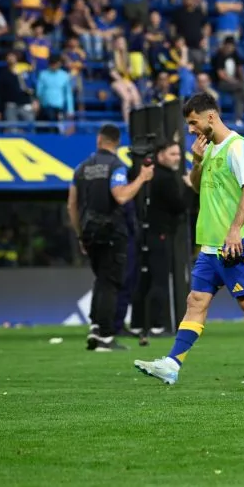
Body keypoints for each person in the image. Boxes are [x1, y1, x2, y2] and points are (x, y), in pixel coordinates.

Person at [133, 94, 244, 386]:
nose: (191, 130)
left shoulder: (239, 148)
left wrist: (235, 229)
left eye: (193, 123)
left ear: (210, 117)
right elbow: (199, 187)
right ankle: (172, 364)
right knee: (196, 300)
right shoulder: (210, 148)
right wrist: (197, 161)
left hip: (236, 244)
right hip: (211, 245)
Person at [67, 124, 153, 351]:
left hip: (88, 233)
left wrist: (80, 235)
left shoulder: (81, 168)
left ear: (99, 140)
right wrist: (142, 178)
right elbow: (122, 196)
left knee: (101, 279)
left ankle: (95, 327)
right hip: (112, 232)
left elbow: (72, 204)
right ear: (116, 142)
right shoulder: (116, 166)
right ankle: (105, 336)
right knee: (110, 282)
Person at [131, 141, 188, 338]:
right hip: (160, 234)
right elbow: (179, 206)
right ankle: (157, 325)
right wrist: (189, 188)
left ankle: (138, 324)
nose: (177, 158)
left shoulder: (148, 175)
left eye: (178, 154)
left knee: (143, 280)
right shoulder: (166, 178)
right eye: (173, 154)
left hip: (143, 233)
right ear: (161, 155)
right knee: (160, 280)